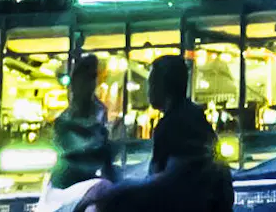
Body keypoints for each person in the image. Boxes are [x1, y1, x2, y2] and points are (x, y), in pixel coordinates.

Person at [87, 54, 230, 212]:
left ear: (164, 85)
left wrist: (119, 191)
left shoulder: (176, 123)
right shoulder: (190, 116)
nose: (148, 90)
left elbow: (172, 179)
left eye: (151, 82)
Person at [40, 53, 129, 212]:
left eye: (92, 77)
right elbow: (78, 155)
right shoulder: (65, 122)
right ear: (75, 83)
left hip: (90, 185)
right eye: (86, 78)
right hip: (66, 188)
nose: (90, 83)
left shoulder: (99, 113)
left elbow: (103, 155)